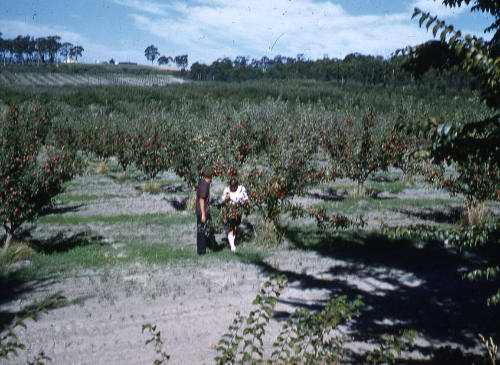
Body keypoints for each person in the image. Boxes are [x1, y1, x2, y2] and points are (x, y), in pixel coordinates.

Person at [220, 177, 248, 252]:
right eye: (231, 187)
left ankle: (231, 241)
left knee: (235, 226)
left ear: (236, 186)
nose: (232, 189)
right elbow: (222, 202)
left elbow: (245, 199)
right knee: (231, 227)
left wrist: (246, 205)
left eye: (234, 187)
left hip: (238, 210)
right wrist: (226, 199)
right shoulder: (226, 190)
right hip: (230, 210)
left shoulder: (241, 189)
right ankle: (232, 247)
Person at [196, 167, 218, 255]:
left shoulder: (203, 182)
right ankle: (201, 250)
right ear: (211, 175)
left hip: (204, 210)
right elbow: (201, 199)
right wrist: (203, 214)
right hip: (203, 211)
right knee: (202, 230)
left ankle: (213, 246)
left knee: (209, 229)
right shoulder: (205, 185)